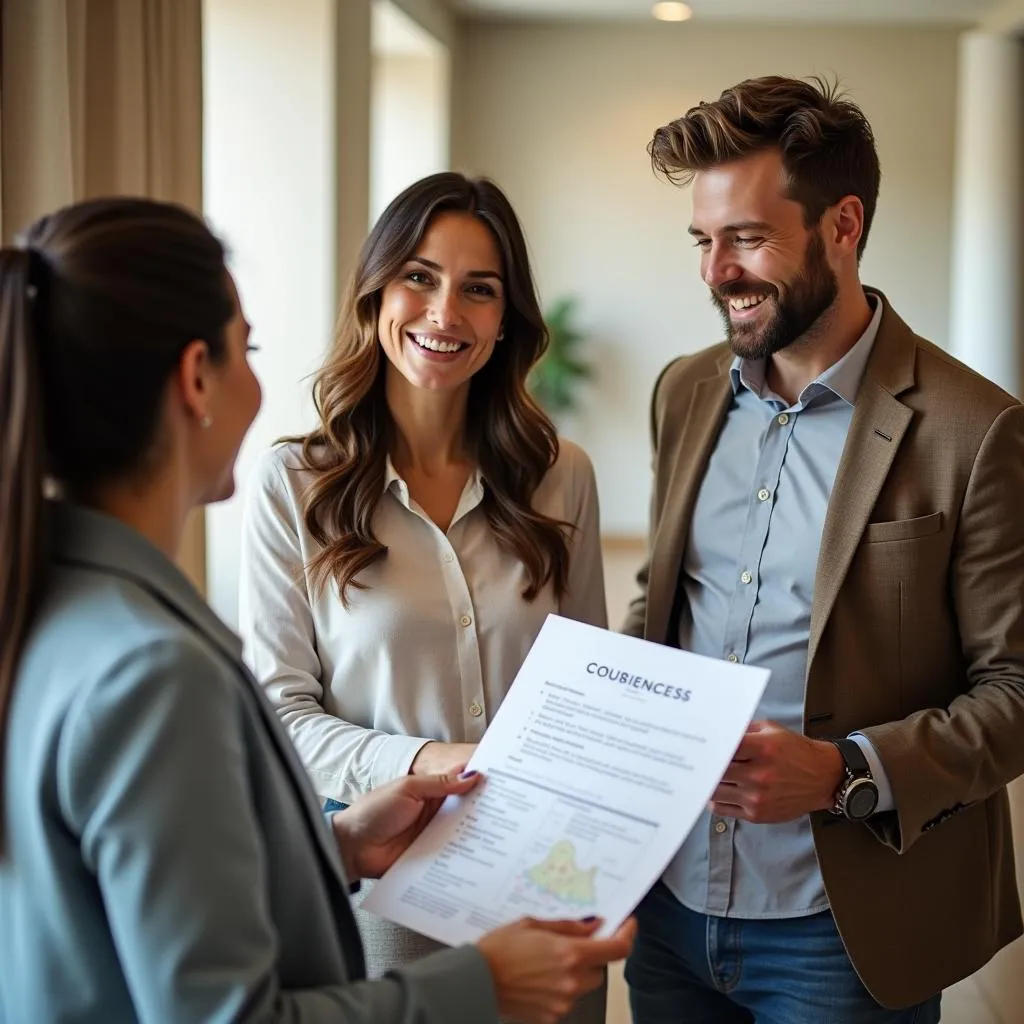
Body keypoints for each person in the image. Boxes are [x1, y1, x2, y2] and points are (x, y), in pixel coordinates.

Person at [0, 196, 634, 1023]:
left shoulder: (53, 607)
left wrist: (339, 846)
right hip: (396, 930)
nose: (447, 310)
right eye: (248, 349)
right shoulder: (153, 666)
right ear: (197, 376)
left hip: (517, 876)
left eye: (479, 289)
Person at [622, 75, 1024, 1024]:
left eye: (748, 239)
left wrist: (844, 771)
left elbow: (1015, 691)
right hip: (670, 910)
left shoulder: (977, 431)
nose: (716, 272)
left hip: (839, 933)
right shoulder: (684, 393)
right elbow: (660, 607)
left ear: (843, 226)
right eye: (703, 240)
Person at [238, 172, 608, 1020]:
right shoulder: (293, 484)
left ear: (507, 318)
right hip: (385, 891)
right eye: (419, 276)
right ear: (375, 291)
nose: (445, 314)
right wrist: (423, 761)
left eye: (479, 290)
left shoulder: (563, 477)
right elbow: (281, 717)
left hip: (549, 876)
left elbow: (589, 687)